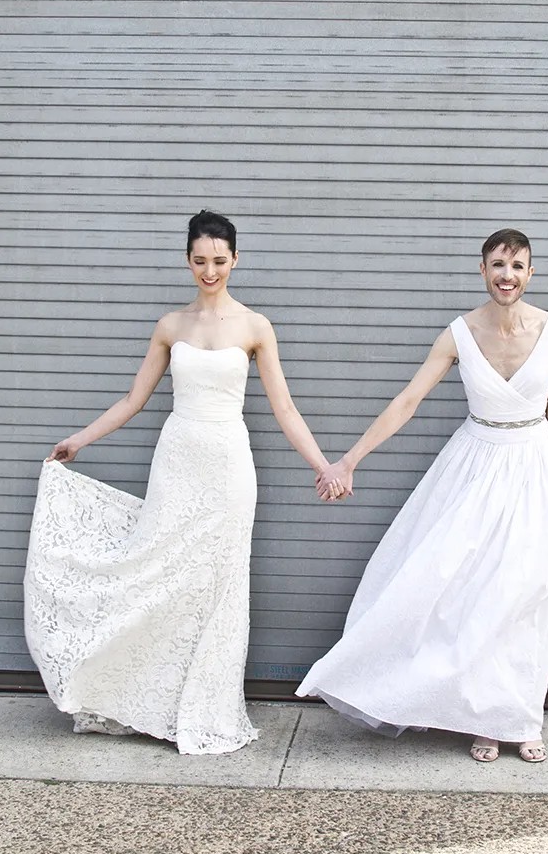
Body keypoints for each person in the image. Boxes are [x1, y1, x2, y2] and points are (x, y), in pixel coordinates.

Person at [24, 210, 339, 755]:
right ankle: (149, 699)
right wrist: (79, 440)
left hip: (229, 467)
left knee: (218, 585)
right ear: (187, 261)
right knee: (159, 571)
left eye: (219, 261)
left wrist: (323, 464)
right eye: (200, 261)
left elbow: (284, 408)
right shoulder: (171, 325)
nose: (210, 271)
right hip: (177, 463)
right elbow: (132, 400)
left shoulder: (255, 326)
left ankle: (207, 707)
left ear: (235, 260)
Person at [300, 228, 548, 764]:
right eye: (498, 264)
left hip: (537, 468)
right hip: (475, 467)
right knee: (472, 594)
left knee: (527, 596)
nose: (507, 275)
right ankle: (483, 718)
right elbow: (407, 402)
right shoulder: (458, 334)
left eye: (517, 266)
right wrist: (349, 459)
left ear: (531, 273)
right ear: (482, 270)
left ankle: (521, 717)